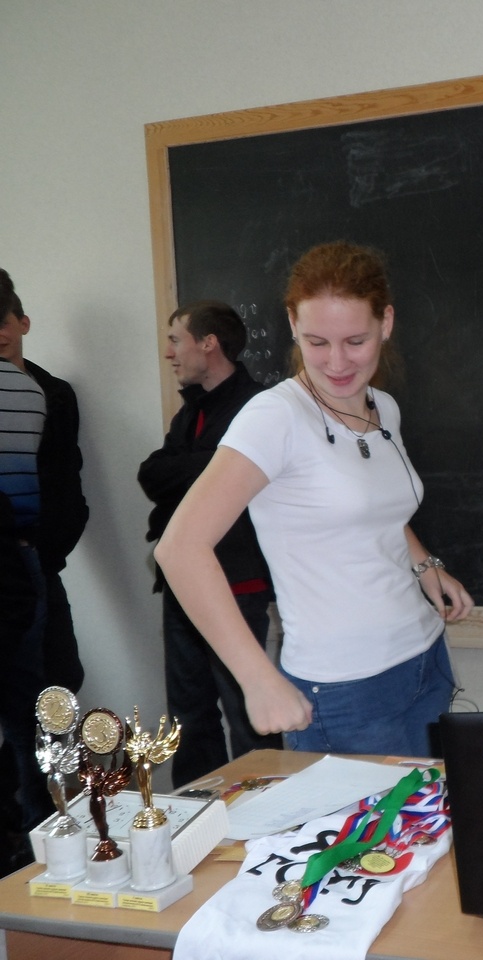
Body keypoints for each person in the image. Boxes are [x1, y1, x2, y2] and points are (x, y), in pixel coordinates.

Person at [155, 242, 474, 756]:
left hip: (424, 657)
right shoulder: (275, 417)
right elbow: (179, 549)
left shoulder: (383, 407)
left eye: (355, 341)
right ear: (292, 324)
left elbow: (376, 506)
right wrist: (257, 679)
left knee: (441, 810)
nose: (337, 362)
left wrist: (424, 565)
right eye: (317, 342)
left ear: (386, 323)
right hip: (344, 692)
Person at [137, 301, 281, 785]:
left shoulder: (259, 407)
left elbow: (227, 477)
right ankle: (199, 813)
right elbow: (151, 474)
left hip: (236, 582)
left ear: (208, 343)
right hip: (182, 583)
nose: (168, 352)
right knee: (188, 715)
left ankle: (263, 810)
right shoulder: (193, 409)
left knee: (249, 714)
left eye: (176, 339)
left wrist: (199, 468)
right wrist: (210, 465)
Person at [0, 268, 89, 693]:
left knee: (62, 679)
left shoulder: (55, 393)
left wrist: (53, 543)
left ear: (23, 323)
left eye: (3, 321)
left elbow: (66, 474)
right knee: (19, 686)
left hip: (41, 555)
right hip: (8, 555)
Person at [0, 341, 53, 842]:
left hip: (13, 561)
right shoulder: (29, 387)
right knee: (27, 710)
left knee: (26, 709)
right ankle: (40, 835)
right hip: (23, 555)